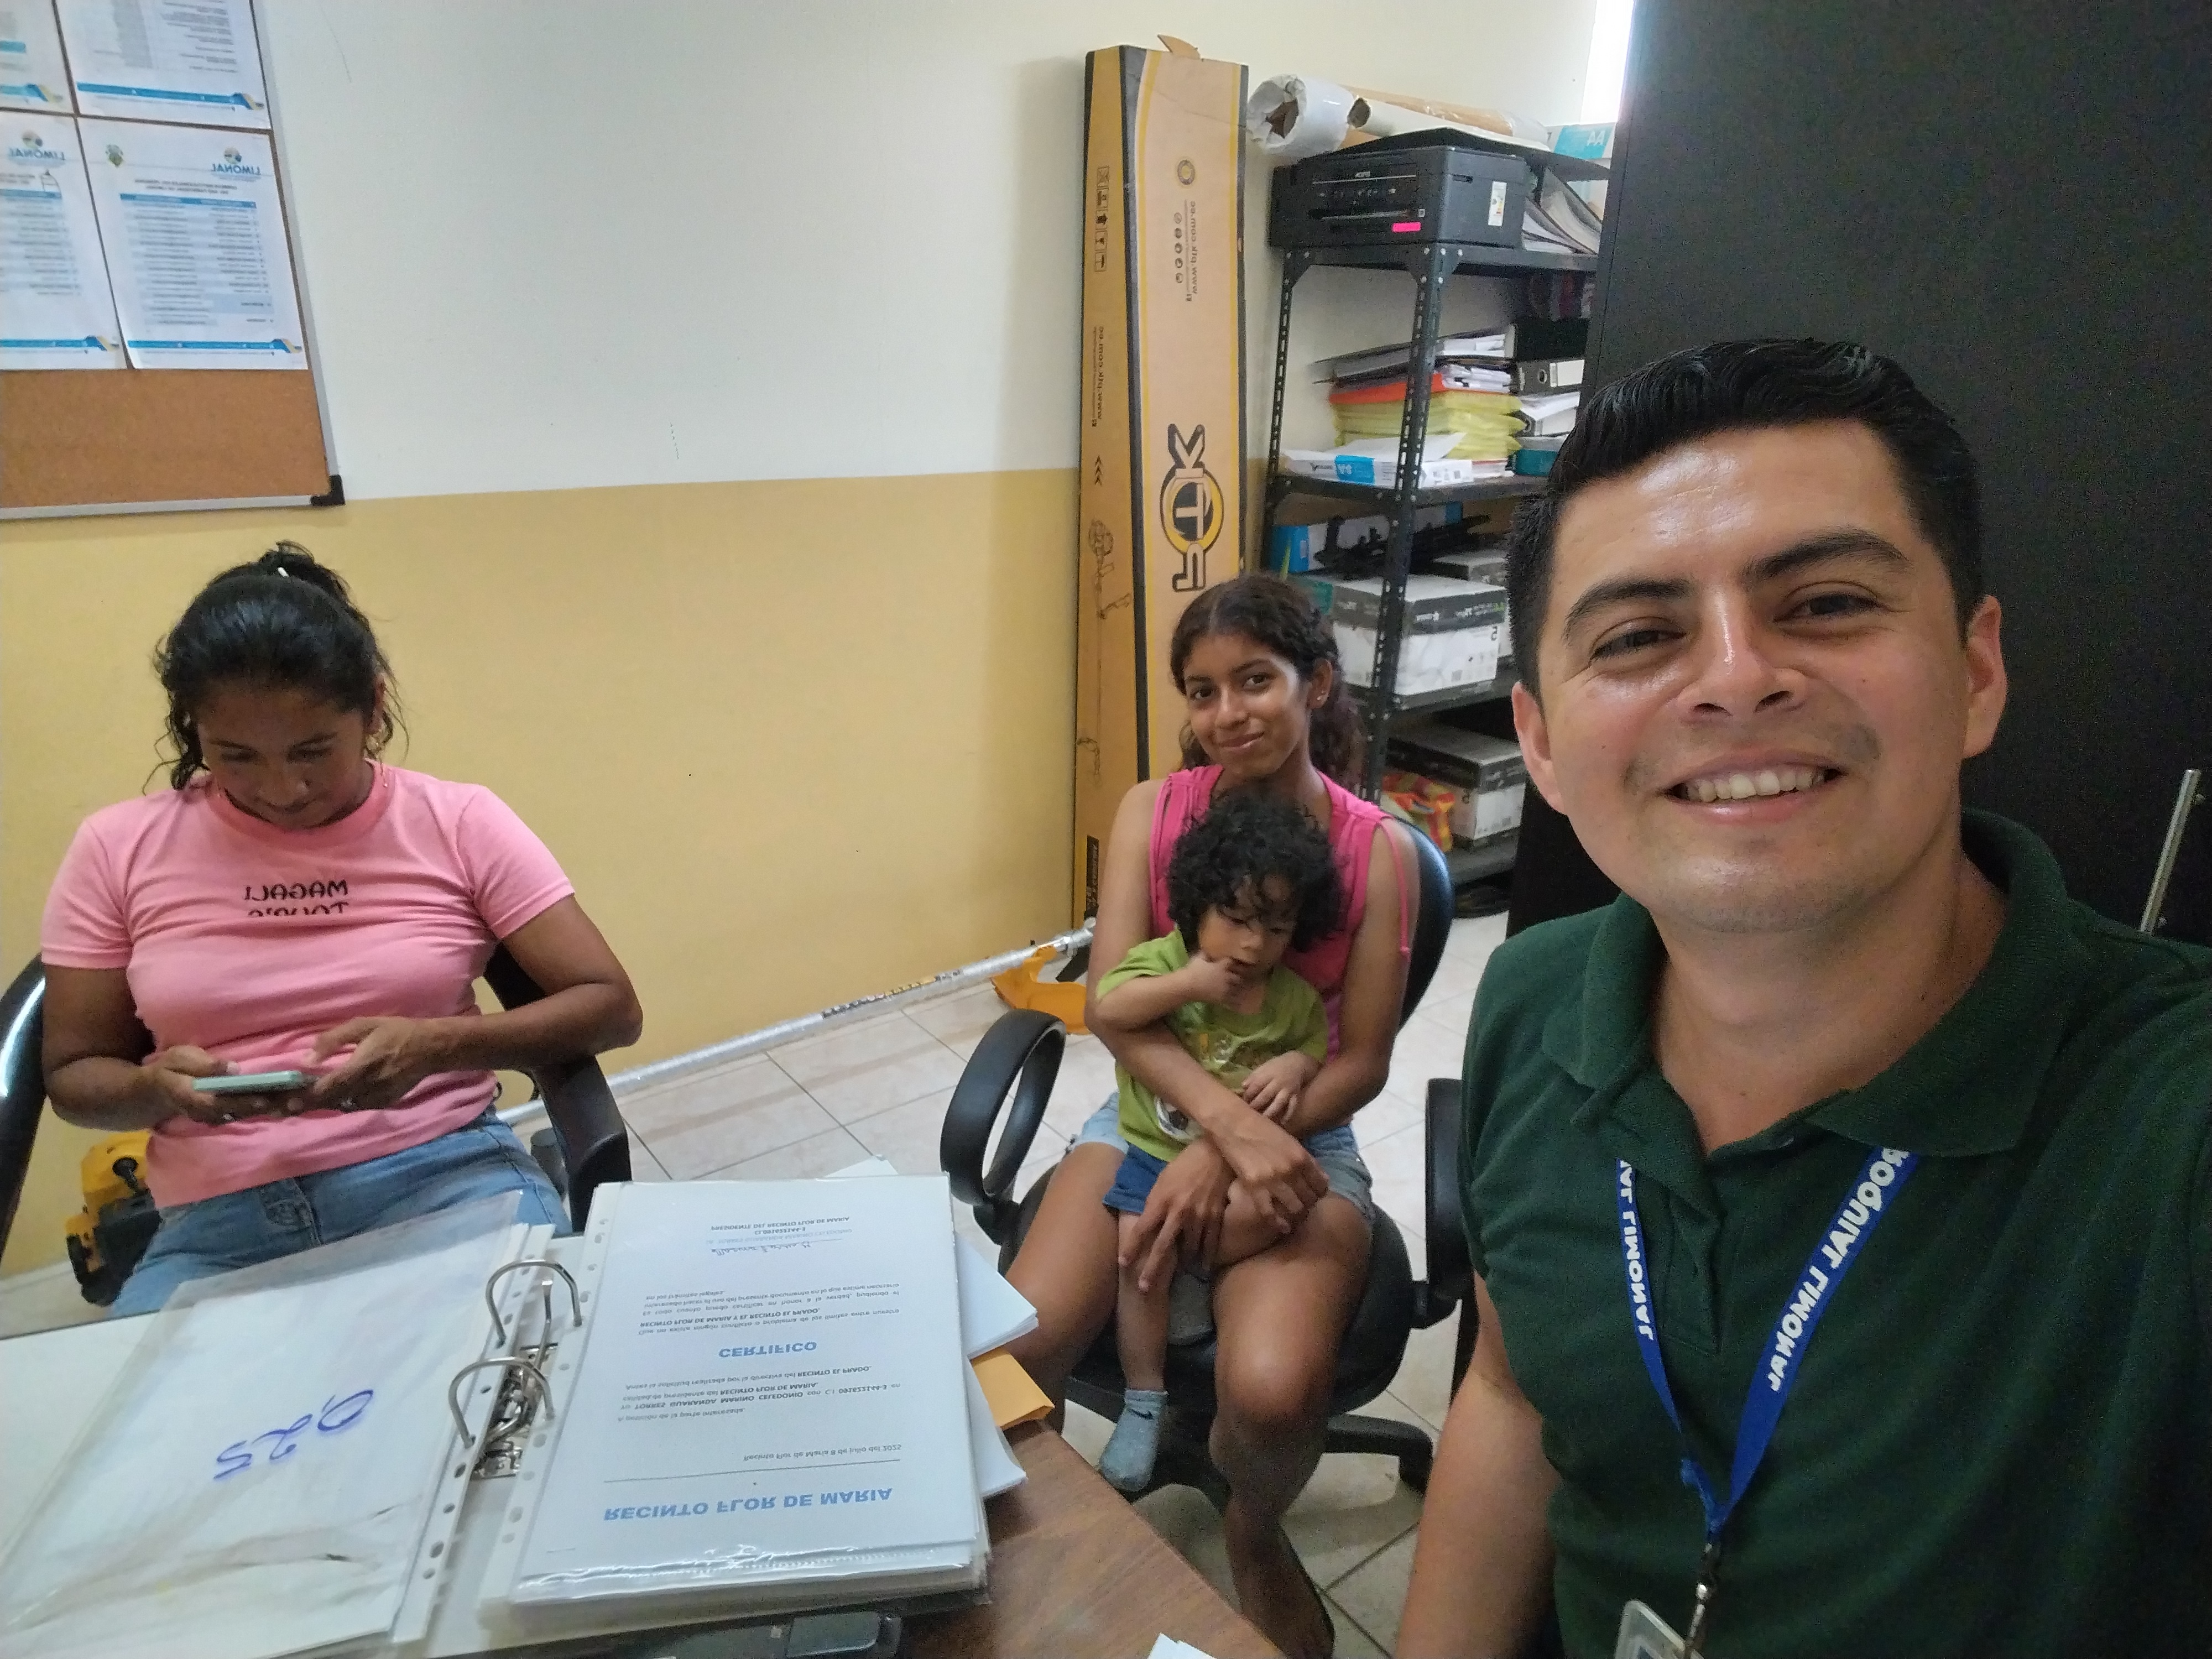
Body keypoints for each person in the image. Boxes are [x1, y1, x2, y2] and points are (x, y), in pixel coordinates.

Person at [1397, 341, 2212, 1658]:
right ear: (1539, 743)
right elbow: (1509, 1384)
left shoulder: (2170, 1129)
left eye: (1826, 603)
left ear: (1975, 672)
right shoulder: (1534, 996)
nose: (1734, 676)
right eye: (1638, 636)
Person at [40, 545, 644, 1316]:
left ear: (374, 708)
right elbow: (74, 1075)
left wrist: (437, 1046)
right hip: (219, 1225)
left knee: (518, 1368)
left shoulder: (457, 821)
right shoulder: (117, 847)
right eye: (236, 757)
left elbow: (611, 1008)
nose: (282, 789)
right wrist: (152, 1090)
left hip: (443, 1176)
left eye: (313, 751)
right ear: (193, 728)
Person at [1006, 572, 1415, 1659]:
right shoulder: (1151, 811)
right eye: (1201, 690)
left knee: (1272, 1393)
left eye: (1253, 681)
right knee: (1018, 1343)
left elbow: (1362, 1060)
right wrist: (1216, 1132)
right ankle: (1039, 1542)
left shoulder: (1374, 849)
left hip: (1302, 1128)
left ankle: (1253, 1525)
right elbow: (1112, 1007)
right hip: (1152, 1115)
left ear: (1314, 682)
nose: (1226, 713)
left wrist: (1244, 1145)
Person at [1089, 790, 1340, 1494]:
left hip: (1239, 1162)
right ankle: (1144, 1397)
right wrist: (1187, 984)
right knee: (1139, 1253)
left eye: (1276, 928)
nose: (1253, 946)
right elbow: (1109, 1009)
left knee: (1286, 1206)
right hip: (1155, 1149)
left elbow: (1314, 1047)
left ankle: (1196, 1274)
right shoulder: (1161, 962)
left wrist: (1295, 1067)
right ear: (1197, 905)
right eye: (1234, 920)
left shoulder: (1290, 997)